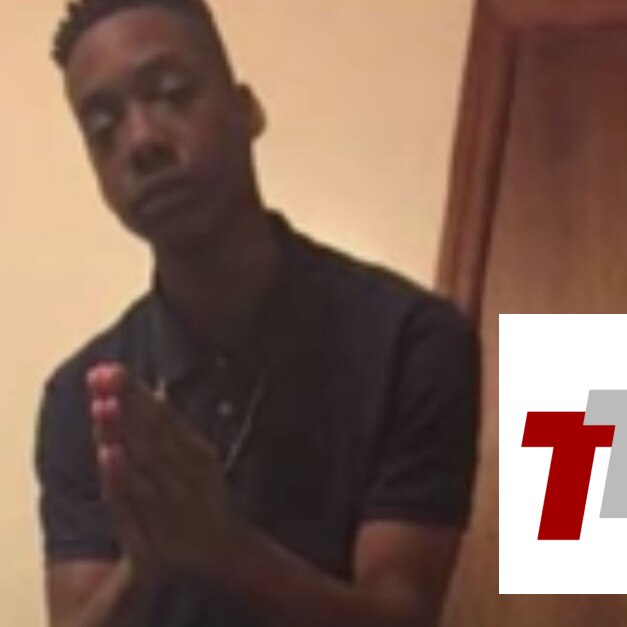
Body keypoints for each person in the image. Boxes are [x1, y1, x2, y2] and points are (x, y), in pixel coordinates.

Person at [33, 1, 481, 625]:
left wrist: (225, 548)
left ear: (247, 111)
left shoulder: (410, 342)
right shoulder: (82, 398)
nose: (140, 141)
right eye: (103, 128)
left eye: (171, 94)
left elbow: (402, 615)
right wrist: (145, 563)